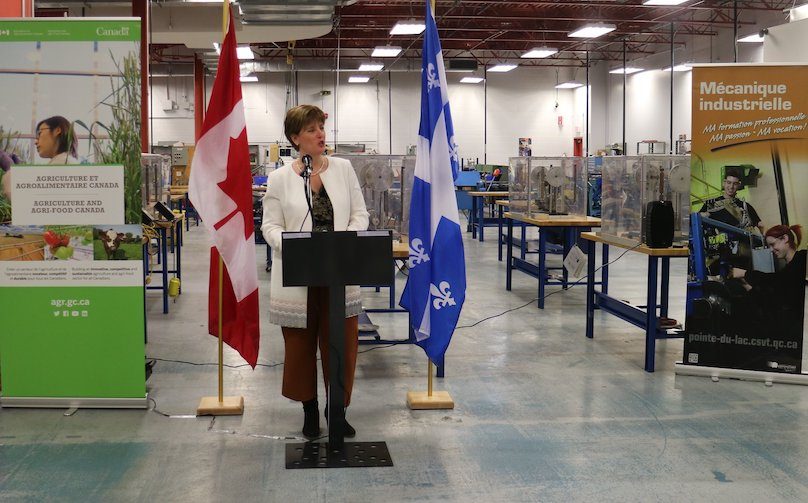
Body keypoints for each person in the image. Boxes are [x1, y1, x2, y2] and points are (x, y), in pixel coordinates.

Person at [261, 105, 369, 439]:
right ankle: (309, 410)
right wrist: (293, 246)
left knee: (343, 345)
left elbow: (360, 215)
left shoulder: (344, 168)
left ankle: (337, 409)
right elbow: (270, 226)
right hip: (298, 276)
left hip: (339, 274)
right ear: (295, 138)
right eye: (311, 129)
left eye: (321, 127)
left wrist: (344, 243)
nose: (320, 134)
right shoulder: (280, 178)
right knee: (300, 348)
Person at [1, 116, 78, 202]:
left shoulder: (63, 164)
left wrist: (10, 170)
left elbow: (28, 203)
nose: (35, 141)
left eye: (40, 133)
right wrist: (20, 172)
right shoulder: (64, 161)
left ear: (57, 130)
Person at [699, 167, 764, 234]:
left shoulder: (745, 206)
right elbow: (698, 219)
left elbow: (760, 225)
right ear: (724, 183)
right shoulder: (711, 203)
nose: (731, 186)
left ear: (739, 185)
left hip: (742, 242)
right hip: (720, 242)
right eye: (729, 182)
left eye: (735, 184)